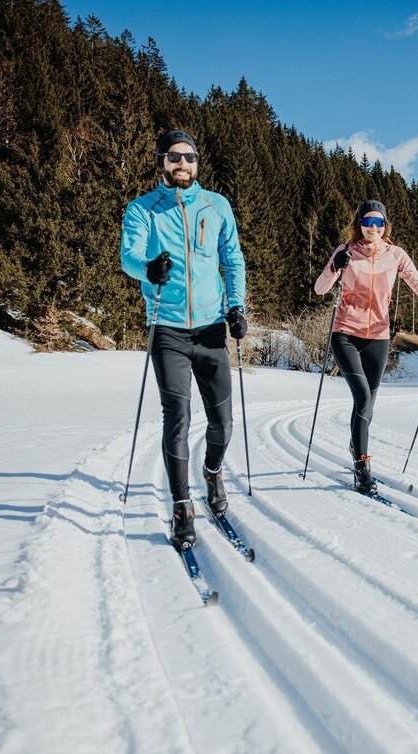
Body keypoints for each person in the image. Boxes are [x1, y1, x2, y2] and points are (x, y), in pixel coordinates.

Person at [120, 129, 247, 549]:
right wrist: (147, 268)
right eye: (174, 157)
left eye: (189, 157)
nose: (182, 164)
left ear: (197, 162)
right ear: (161, 161)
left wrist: (237, 307)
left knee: (223, 423)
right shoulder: (143, 210)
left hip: (212, 329)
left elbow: (233, 258)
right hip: (167, 328)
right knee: (177, 417)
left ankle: (212, 472)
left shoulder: (218, 206)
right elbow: (129, 256)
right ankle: (181, 505)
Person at [314, 199, 418, 493]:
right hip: (345, 332)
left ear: (385, 226)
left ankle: (355, 445)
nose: (373, 227)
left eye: (378, 222)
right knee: (361, 396)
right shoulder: (345, 252)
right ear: (358, 224)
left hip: (378, 337)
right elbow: (320, 288)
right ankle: (362, 465)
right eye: (367, 222)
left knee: (368, 404)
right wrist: (335, 267)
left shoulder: (395, 255)